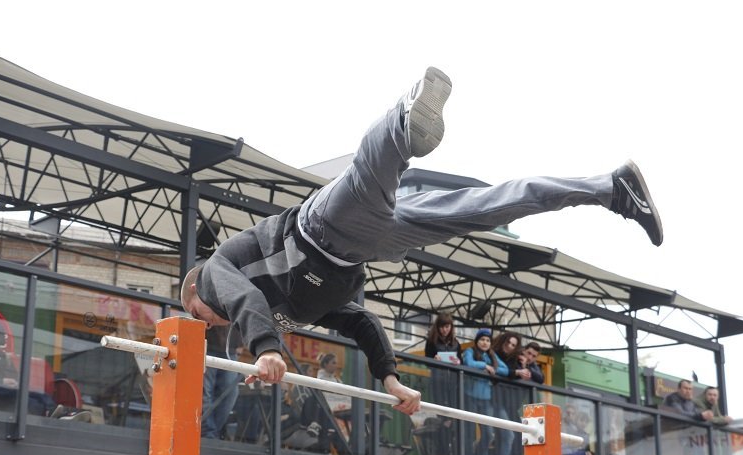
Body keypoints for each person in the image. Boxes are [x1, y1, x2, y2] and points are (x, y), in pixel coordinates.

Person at [179, 66, 664, 417]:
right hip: (373, 244)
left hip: (319, 228)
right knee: (489, 206)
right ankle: (610, 188)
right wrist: (389, 378)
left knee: (371, 168)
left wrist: (265, 347)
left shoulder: (217, 273)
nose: (213, 321)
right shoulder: (288, 309)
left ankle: (405, 116)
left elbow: (239, 298)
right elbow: (361, 322)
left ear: (197, 296)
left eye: (203, 317)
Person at [423, 313, 461, 455]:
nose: (444, 330)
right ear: (437, 327)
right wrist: (434, 360)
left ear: (451, 327)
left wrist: (458, 361)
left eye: (447, 327)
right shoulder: (432, 342)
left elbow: (461, 362)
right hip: (438, 382)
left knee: (450, 419)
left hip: (452, 384)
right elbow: (426, 360)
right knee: (443, 418)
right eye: (442, 327)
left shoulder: (456, 343)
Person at [490, 331, 527, 455]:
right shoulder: (493, 354)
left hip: (508, 404)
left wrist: (522, 365)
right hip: (494, 399)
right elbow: (499, 370)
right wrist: (516, 372)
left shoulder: (514, 360)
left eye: (513, 345)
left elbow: (535, 377)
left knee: (517, 435)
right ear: (503, 342)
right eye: (508, 343)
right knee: (495, 434)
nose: (510, 347)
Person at [461, 329, 497, 455]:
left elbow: (503, 369)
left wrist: (493, 368)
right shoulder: (470, 351)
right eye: (482, 339)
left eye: (488, 340)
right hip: (470, 396)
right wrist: (485, 366)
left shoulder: (492, 356)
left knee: (488, 433)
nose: (485, 342)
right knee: (469, 432)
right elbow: (468, 363)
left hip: (486, 399)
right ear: (477, 341)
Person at [201, 326, 241, 439]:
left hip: (230, 347)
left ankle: (211, 432)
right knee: (205, 392)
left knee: (230, 393)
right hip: (207, 342)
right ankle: (209, 434)